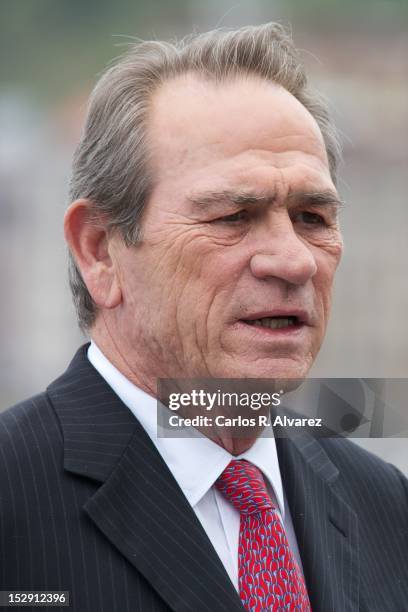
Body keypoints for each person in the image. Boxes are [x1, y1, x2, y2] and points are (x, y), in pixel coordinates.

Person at [0, 22, 407, 612]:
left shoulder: (384, 507)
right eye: (233, 216)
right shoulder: (14, 500)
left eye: (313, 216)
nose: (293, 260)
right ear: (99, 250)